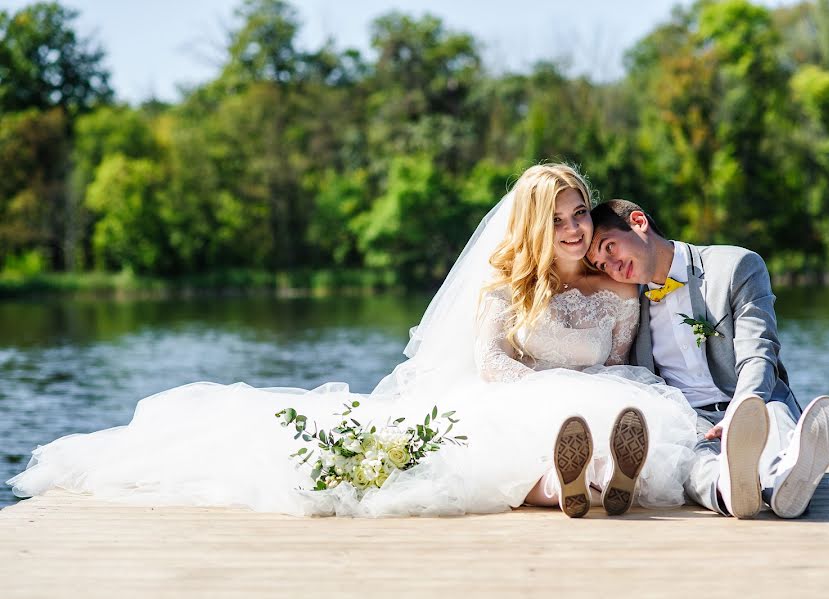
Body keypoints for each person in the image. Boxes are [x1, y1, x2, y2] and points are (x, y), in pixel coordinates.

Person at [8, 165, 698, 518]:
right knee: (527, 436)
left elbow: (617, 364)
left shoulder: (619, 289)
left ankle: (604, 476)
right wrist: (556, 389)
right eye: (561, 219)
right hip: (513, 400)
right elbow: (491, 367)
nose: (577, 229)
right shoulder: (502, 288)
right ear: (534, 227)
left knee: (615, 410)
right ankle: (571, 482)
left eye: (580, 213)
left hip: (593, 398)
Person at [587, 199, 829, 519]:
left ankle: (786, 480)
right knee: (688, 460)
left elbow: (758, 354)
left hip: (754, 402)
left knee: (773, 416)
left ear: (638, 222)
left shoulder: (735, 266)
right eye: (601, 265)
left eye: (609, 248)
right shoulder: (628, 305)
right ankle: (730, 491)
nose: (612, 267)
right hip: (689, 419)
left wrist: (740, 410)